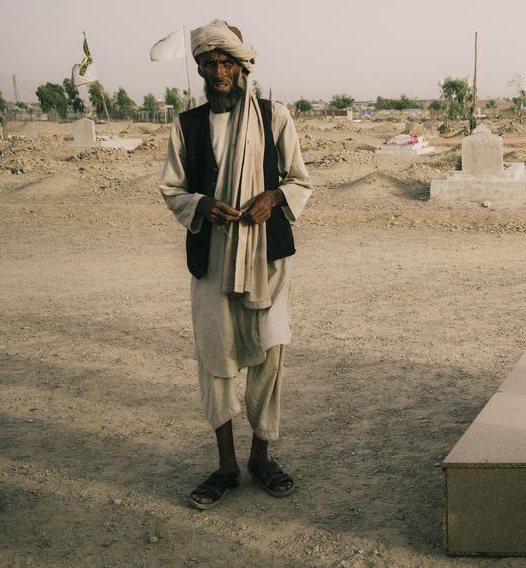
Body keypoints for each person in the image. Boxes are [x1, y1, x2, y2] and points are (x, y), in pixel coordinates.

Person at [159, 19, 312, 510]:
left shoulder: (275, 116)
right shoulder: (187, 124)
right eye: (209, 64)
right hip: (213, 260)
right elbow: (173, 189)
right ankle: (225, 466)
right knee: (216, 358)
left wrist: (275, 196)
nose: (218, 71)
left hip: (266, 258)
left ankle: (261, 458)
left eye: (226, 62)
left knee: (269, 355)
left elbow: (300, 181)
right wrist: (202, 205)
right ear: (200, 69)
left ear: (243, 66)